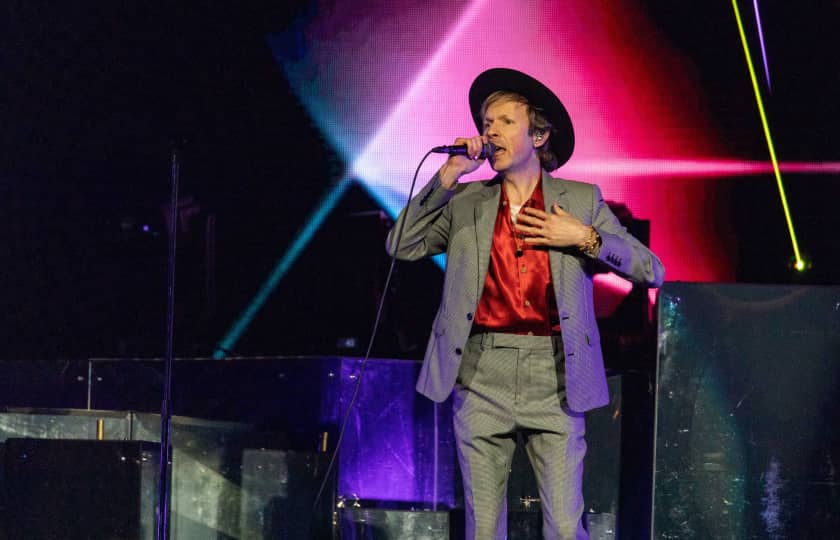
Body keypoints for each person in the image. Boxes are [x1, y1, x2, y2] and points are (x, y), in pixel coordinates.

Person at [386, 68, 664, 539]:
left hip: (555, 373)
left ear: (538, 134)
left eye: (504, 121)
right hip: (479, 372)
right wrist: (447, 176)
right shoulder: (466, 200)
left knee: (562, 525)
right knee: (484, 528)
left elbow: (650, 269)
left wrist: (586, 238)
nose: (489, 131)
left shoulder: (579, 199)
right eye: (485, 121)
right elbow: (402, 244)